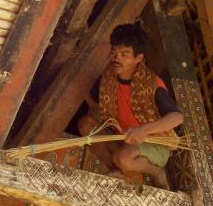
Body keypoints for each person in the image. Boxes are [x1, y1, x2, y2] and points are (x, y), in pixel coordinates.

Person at [78, 23, 184, 190]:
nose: (116, 58)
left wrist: (143, 130)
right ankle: (115, 170)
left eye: (124, 55)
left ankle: (157, 172)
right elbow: (94, 102)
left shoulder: (152, 84)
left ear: (138, 58)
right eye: (114, 52)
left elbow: (177, 117)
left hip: (154, 142)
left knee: (124, 158)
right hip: (122, 138)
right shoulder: (108, 77)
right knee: (85, 124)